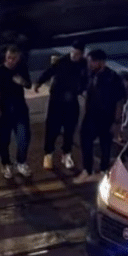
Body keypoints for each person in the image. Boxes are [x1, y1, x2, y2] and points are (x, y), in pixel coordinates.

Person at [74, 49, 125, 183]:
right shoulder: (90, 74)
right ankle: (87, 170)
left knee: (105, 144)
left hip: (106, 117)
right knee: (85, 141)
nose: (90, 64)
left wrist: (116, 121)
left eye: (92, 62)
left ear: (101, 62)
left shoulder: (113, 78)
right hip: (91, 115)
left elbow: (120, 101)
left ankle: (103, 170)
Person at [36, 41, 86, 171]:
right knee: (52, 128)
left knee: (70, 129)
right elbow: (50, 71)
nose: (75, 56)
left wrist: (81, 90)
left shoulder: (83, 64)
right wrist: (39, 82)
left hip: (71, 101)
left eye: (78, 54)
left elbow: (86, 79)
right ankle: (48, 153)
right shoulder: (62, 61)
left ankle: (66, 154)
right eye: (73, 53)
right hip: (56, 101)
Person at [0, 45, 32, 180]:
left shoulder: (21, 68)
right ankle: (6, 164)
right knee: (4, 140)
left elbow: (28, 84)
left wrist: (22, 81)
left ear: (18, 58)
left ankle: (21, 162)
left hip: (20, 109)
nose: (10, 61)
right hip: (5, 110)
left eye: (13, 58)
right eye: (9, 57)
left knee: (23, 138)